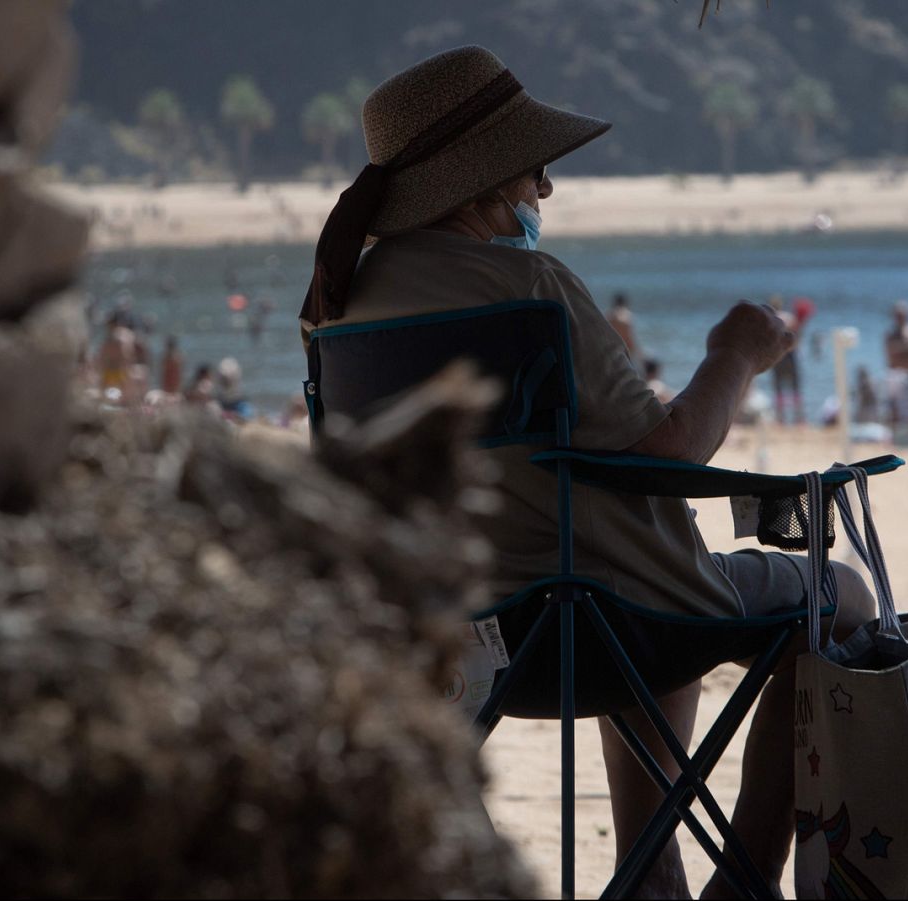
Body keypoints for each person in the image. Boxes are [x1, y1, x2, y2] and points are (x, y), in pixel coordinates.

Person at [296, 46, 875, 900]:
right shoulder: (528, 285)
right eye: (534, 169)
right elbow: (671, 450)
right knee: (841, 598)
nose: (544, 190)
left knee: (610, 569)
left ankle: (653, 873)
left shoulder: (338, 306)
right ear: (482, 180)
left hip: (458, 637)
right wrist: (735, 355)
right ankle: (743, 876)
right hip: (601, 626)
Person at [768, 295, 803, 426]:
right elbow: (797, 338)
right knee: (795, 388)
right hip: (790, 355)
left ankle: (780, 418)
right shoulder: (790, 318)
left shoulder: (770, 320)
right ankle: (799, 418)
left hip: (777, 356)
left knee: (778, 389)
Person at [607, 292, 640, 360]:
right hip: (626, 352)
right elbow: (630, 338)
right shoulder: (627, 316)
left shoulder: (609, 316)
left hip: (612, 351)